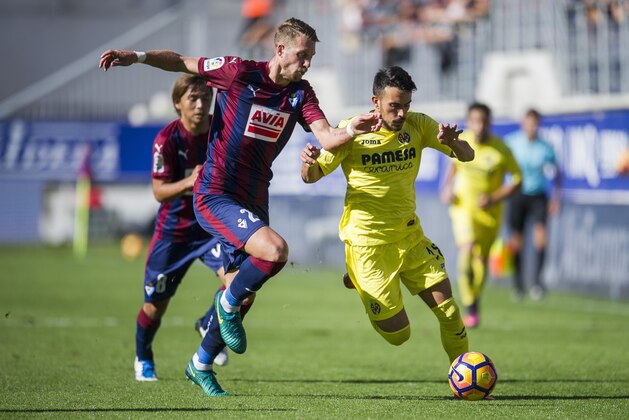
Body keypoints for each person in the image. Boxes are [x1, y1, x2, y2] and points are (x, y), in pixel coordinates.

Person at [100, 18, 382, 396]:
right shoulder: (238, 73)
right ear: (280, 50)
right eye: (303, 55)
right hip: (216, 193)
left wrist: (352, 130)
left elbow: (328, 137)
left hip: (253, 199)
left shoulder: (301, 94)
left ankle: (200, 363)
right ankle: (218, 312)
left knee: (245, 292)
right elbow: (182, 61)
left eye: (312, 57)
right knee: (276, 251)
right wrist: (134, 57)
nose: (307, 63)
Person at [301, 66, 474, 367]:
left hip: (409, 237)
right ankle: (357, 277)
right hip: (368, 246)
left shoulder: (418, 125)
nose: (402, 113)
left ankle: (462, 376)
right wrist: (308, 163)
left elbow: (468, 155)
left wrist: (453, 142)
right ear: (376, 101)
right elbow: (311, 176)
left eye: (406, 105)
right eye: (395, 105)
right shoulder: (352, 131)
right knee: (400, 335)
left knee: (449, 311)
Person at [135, 74, 232, 380]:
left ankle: (208, 322)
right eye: (193, 98)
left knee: (240, 286)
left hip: (211, 226)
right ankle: (143, 357)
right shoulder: (167, 140)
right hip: (174, 230)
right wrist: (190, 181)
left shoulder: (222, 130)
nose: (201, 105)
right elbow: (158, 191)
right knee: (155, 306)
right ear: (178, 103)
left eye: (206, 98)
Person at [441, 102, 522, 328]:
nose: (479, 126)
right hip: (462, 208)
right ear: (469, 122)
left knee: (481, 260)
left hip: (490, 213)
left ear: (489, 122)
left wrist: (494, 198)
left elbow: (517, 180)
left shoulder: (501, 150)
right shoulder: (462, 141)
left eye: (483, 121)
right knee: (467, 248)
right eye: (475, 121)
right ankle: (468, 302)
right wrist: (447, 188)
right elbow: (453, 166)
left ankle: (474, 300)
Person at [504, 109, 561, 301]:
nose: (532, 127)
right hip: (517, 195)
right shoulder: (512, 142)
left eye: (535, 123)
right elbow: (500, 167)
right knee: (517, 242)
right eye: (529, 122)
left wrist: (556, 198)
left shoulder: (545, 147)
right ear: (523, 123)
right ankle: (518, 284)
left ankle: (537, 282)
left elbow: (557, 173)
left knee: (541, 239)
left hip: (538, 196)